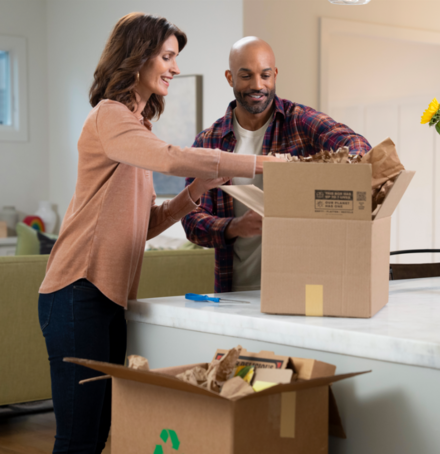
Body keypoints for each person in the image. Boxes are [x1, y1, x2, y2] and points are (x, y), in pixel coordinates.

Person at [37, 14, 279, 453]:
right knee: (77, 439)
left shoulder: (136, 127)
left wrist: (195, 192)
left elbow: (142, 225)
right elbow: (172, 158)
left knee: (96, 435)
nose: (174, 67)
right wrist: (263, 164)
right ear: (138, 56)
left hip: (105, 296)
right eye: (167, 57)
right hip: (76, 290)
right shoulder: (109, 118)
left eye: (175, 58)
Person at [182, 37, 371, 294]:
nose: (257, 85)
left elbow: (357, 145)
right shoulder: (208, 141)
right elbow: (192, 223)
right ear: (230, 78)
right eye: (246, 76)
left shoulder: (300, 121)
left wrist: (331, 177)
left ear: (275, 75)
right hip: (235, 290)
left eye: (265, 75)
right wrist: (236, 226)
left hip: (303, 286)